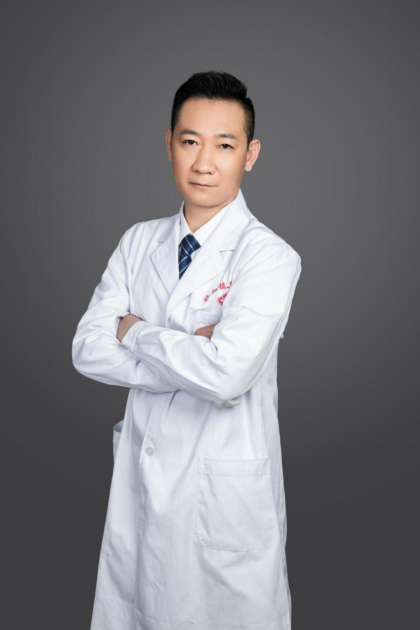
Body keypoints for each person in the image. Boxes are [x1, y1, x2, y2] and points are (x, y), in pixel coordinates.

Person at [72, 70, 303, 630]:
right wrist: (193, 354)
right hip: (142, 485)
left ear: (250, 155)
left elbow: (226, 377)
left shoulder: (269, 257)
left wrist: (136, 331)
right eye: (190, 141)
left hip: (222, 503)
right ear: (169, 145)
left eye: (224, 145)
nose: (204, 162)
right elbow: (86, 349)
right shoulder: (138, 241)